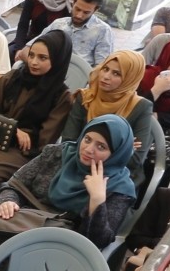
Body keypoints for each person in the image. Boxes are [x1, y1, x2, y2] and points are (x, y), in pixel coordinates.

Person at [0, 115, 137, 252]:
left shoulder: (119, 188)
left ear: (116, 154)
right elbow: (13, 185)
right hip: (17, 223)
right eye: (87, 139)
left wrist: (97, 201)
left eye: (101, 147)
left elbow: (97, 242)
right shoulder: (58, 153)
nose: (89, 149)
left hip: (57, 247)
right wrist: (9, 201)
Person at [0, 30, 75, 202]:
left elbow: (44, 141)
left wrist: (12, 133)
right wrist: (12, 130)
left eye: (42, 58)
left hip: (22, 152)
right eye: (31, 55)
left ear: (57, 60)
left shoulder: (61, 97)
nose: (33, 62)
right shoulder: (13, 78)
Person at [60, 50, 151, 183]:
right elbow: (68, 142)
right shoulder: (86, 97)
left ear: (130, 78)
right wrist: (121, 149)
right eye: (105, 69)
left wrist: (86, 144)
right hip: (76, 166)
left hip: (114, 178)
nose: (106, 76)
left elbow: (136, 159)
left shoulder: (141, 107)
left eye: (116, 73)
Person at [34, 0, 113, 70]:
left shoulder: (103, 31)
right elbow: (31, 47)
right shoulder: (58, 24)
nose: (79, 15)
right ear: (73, 2)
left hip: (81, 75)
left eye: (86, 12)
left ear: (95, 10)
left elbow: (101, 67)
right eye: (77, 9)